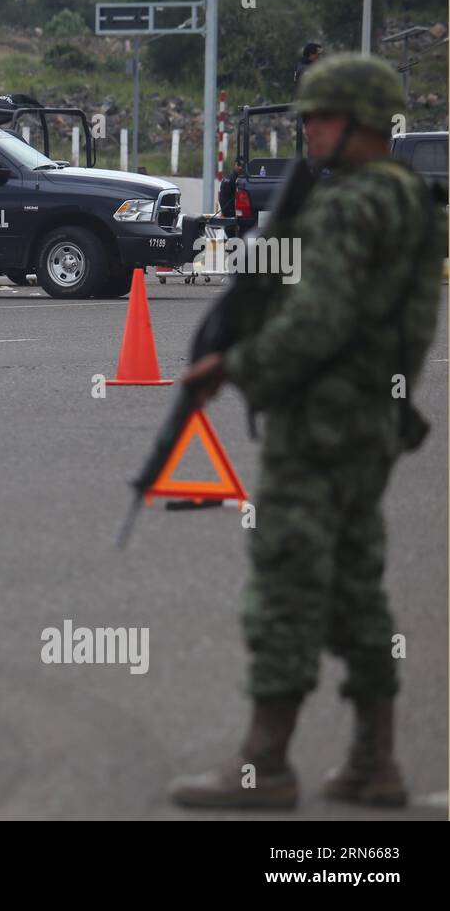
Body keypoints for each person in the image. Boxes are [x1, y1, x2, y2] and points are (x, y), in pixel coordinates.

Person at [169, 54, 444, 810]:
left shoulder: (357, 204)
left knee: (287, 580)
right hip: (367, 423)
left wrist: (237, 366)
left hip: (322, 423)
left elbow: (320, 321)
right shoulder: (402, 197)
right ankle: (373, 759)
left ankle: (265, 762)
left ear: (361, 121)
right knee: (356, 584)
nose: (307, 128)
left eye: (321, 116)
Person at [218, 156, 247, 223]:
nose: (240, 168)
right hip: (232, 218)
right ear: (235, 165)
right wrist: (232, 215)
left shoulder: (244, 180)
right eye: (238, 165)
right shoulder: (230, 180)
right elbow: (224, 201)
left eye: (242, 166)